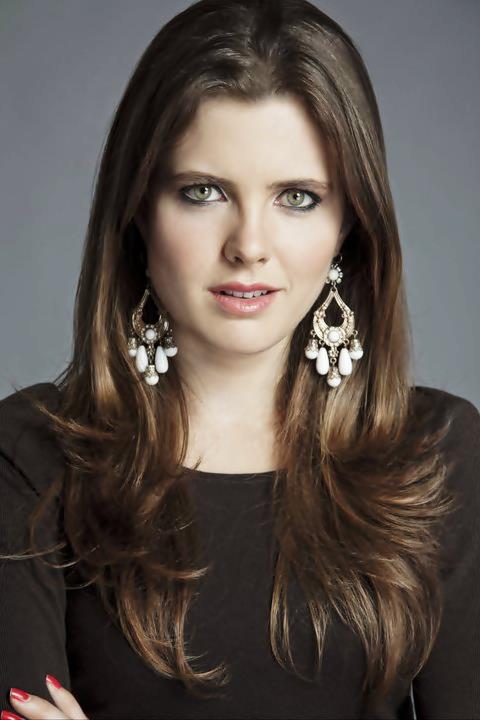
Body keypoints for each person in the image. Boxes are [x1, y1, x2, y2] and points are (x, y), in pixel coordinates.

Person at [1, 0, 479, 718]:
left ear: (349, 224)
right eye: (203, 192)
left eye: (297, 197)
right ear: (138, 210)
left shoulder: (440, 455)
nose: (249, 245)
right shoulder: (31, 456)